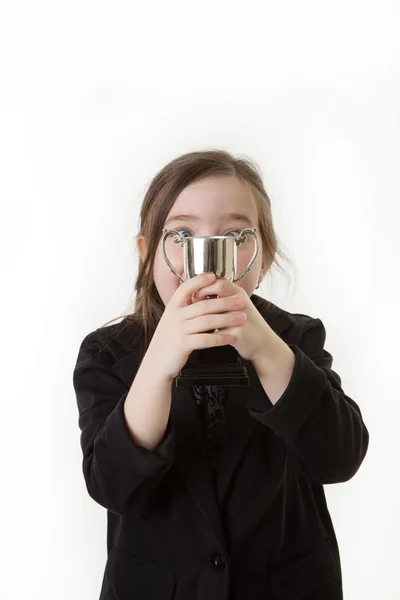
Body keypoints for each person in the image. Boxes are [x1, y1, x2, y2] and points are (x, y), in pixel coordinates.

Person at [72, 149, 369, 600]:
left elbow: (340, 456)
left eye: (234, 234)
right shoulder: (109, 352)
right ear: (146, 253)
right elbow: (114, 486)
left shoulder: (296, 337)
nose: (206, 259)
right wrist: (158, 365)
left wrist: (267, 350)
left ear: (263, 257)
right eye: (181, 234)